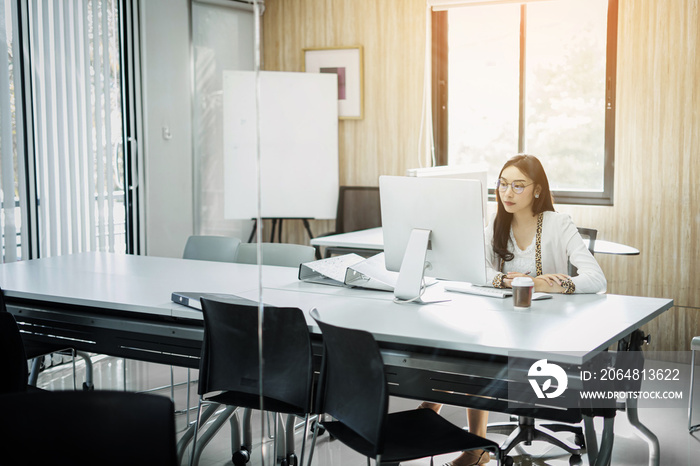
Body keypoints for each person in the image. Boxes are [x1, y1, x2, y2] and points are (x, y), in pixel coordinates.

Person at [421, 154, 607, 466]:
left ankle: (449, 423)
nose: (507, 193)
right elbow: (472, 269)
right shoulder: (496, 225)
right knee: (466, 342)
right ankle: (470, 442)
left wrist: (545, 285)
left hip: (549, 329)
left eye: (518, 186)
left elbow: (596, 279)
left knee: (475, 353)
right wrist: (504, 279)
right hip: (502, 324)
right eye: (503, 185)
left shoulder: (558, 224)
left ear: (537, 190)